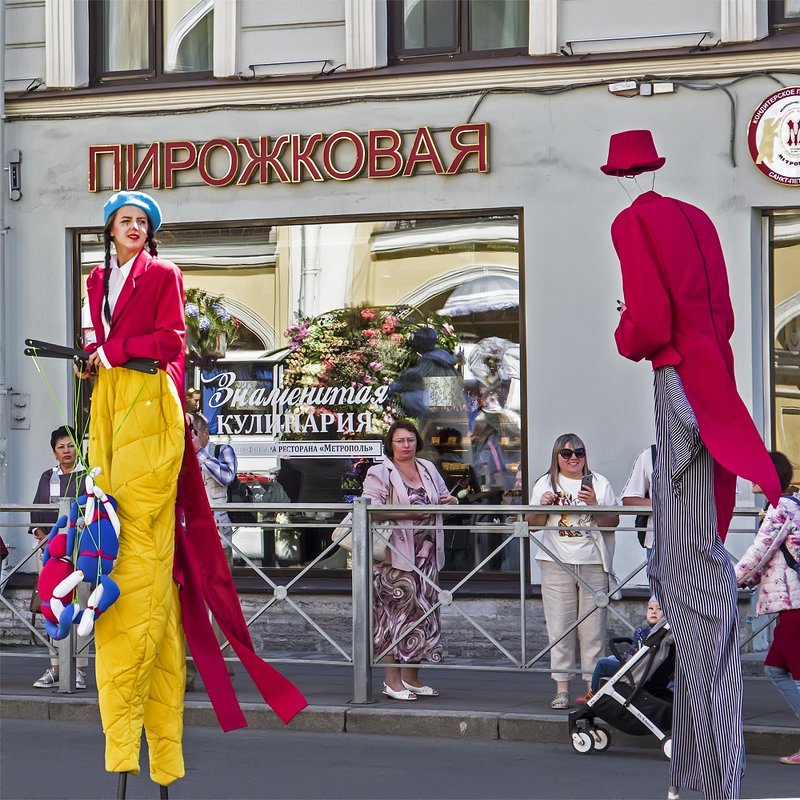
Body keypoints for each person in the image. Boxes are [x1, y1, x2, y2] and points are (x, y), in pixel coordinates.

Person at [80, 190, 305, 791]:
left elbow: (173, 343)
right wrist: (90, 359)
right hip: (108, 408)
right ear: (109, 229)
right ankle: (132, 749)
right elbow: (94, 344)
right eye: (123, 221)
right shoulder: (97, 278)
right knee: (108, 526)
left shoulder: (164, 274)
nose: (132, 228)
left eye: (141, 222)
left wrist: (115, 350)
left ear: (150, 232)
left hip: (152, 405)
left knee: (142, 549)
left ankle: (152, 753)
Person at [604, 129, 780, 799]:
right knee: (694, 556)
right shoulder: (699, 218)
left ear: (619, 173)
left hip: (676, 379)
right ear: (656, 165)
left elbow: (647, 325)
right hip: (716, 379)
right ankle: (702, 776)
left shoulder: (631, 220)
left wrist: (623, 330)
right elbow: (725, 316)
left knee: (687, 568)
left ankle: (708, 781)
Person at [362, 419, 457, 701]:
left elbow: (442, 498)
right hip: (394, 558)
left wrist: (449, 502)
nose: (406, 445)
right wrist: (406, 513)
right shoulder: (379, 472)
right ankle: (392, 681)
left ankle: (412, 677)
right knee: (393, 617)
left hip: (426, 555)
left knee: (423, 615)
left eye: (411, 440)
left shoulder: (427, 468)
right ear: (390, 445)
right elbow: (368, 509)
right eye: (400, 441)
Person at [526, 433, 619, 709]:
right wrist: (541, 506)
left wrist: (594, 505)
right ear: (557, 457)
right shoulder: (545, 482)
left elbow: (612, 522)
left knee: (593, 630)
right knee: (560, 627)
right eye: (566, 454)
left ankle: (593, 686)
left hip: (592, 562)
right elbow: (532, 524)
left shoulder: (599, 483)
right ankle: (562, 687)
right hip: (555, 561)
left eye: (579, 452)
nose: (574, 458)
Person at [735, 451, 800, 766]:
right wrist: (752, 578)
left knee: (798, 675)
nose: (750, 478)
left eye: (755, 472)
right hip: (790, 603)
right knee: (775, 668)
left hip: (795, 605)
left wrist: (729, 579)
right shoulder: (794, 505)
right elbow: (777, 556)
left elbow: (759, 550)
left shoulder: (780, 508)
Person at [29, 425, 88, 689]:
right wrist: (44, 541)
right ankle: (55, 667)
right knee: (52, 608)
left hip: (79, 552)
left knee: (80, 607)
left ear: (78, 447)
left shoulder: (87, 476)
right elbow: (36, 515)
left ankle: (78, 669)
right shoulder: (47, 477)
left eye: (70, 445)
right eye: (61, 447)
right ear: (54, 452)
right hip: (51, 553)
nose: (66, 451)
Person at [589, 596, 664, 696]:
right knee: (611, 658)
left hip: (637, 670)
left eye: (659, 609)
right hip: (645, 668)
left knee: (602, 664)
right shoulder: (665, 633)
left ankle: (594, 694)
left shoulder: (643, 632)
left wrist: (622, 658)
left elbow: (633, 655)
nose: (654, 612)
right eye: (651, 608)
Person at [190, 413, 237, 562]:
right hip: (189, 536)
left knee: (221, 584)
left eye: (194, 432)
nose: (191, 437)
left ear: (206, 433)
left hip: (218, 537)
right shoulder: (181, 455)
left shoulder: (222, 451)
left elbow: (227, 476)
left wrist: (200, 453)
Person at [620, 445, 655, 552]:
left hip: (700, 540)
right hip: (658, 542)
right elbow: (629, 500)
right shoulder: (650, 455)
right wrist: (661, 503)